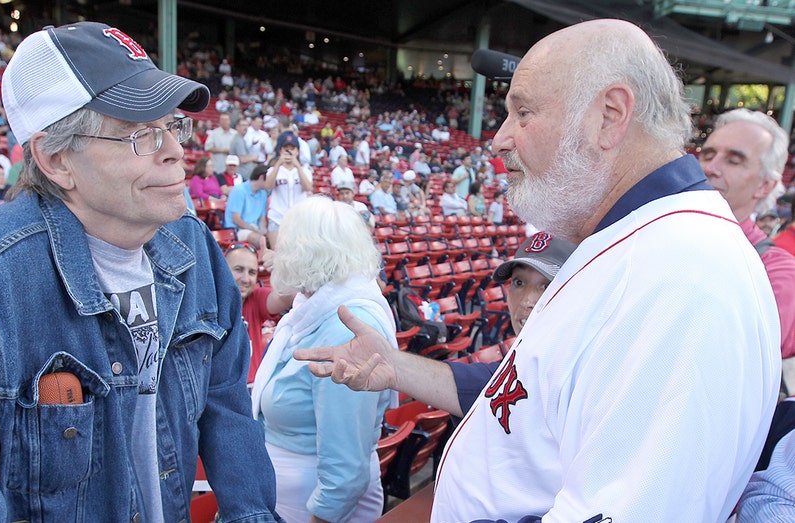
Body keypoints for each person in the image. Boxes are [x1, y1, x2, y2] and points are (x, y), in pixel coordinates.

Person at [294, 18, 780, 522]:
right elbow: (534, 390)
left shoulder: (680, 275)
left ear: (610, 116)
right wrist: (396, 367)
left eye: (522, 113)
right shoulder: (642, 243)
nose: (499, 139)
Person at [0, 22, 281, 523]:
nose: (174, 150)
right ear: (56, 159)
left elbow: (226, 405)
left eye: (173, 125)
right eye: (140, 133)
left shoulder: (194, 245)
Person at [250, 196, 396, 523]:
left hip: (314, 509)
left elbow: (346, 472)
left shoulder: (345, 327)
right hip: (289, 498)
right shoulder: (313, 307)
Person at [698, 108, 795, 382]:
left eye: (734, 160)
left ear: (765, 186)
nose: (710, 168)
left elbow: (737, 373)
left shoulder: (777, 272)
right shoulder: (655, 234)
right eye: (708, 154)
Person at [224, 241, 294, 383]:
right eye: (238, 269)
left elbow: (290, 296)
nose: (245, 279)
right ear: (222, 269)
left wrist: (281, 267)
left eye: (252, 272)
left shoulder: (256, 298)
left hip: (252, 390)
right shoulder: (208, 303)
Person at [264, 131, 312, 246]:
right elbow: (268, 186)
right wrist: (278, 164)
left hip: (299, 218)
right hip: (277, 217)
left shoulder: (304, 170)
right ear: (281, 150)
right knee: (276, 254)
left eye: (292, 148)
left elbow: (308, 187)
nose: (289, 151)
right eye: (286, 148)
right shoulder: (273, 170)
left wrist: (298, 166)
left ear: (297, 151)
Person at [225, 163, 269, 246]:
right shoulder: (239, 190)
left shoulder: (263, 194)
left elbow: (262, 218)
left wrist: (263, 230)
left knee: (272, 238)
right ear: (261, 178)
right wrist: (254, 230)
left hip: (254, 228)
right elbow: (236, 219)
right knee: (260, 240)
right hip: (237, 229)